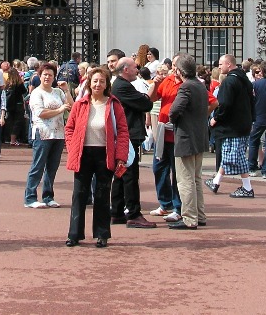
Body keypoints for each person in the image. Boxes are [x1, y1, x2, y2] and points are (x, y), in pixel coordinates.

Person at [64, 66, 129, 247]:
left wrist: (120, 156)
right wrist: (72, 147)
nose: (98, 84)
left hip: (104, 153)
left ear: (107, 84)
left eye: (102, 81)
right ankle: (74, 234)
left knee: (102, 195)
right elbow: (69, 128)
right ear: (89, 84)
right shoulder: (80, 104)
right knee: (79, 195)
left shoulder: (114, 104)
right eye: (95, 81)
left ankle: (102, 234)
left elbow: (123, 132)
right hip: (83, 153)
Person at [109, 57, 157, 229]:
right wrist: (151, 90)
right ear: (125, 70)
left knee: (121, 175)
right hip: (127, 135)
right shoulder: (122, 86)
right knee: (129, 175)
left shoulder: (121, 85)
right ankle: (134, 213)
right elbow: (146, 104)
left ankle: (117, 211)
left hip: (125, 134)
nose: (137, 70)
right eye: (134, 67)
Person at [168, 53, 209, 229]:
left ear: (179, 70)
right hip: (199, 136)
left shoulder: (186, 87)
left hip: (185, 137)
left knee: (185, 180)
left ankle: (189, 218)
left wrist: (173, 119)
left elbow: (174, 110)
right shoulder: (200, 86)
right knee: (196, 178)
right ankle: (199, 215)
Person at [24, 62, 71, 209]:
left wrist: (67, 91)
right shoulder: (36, 93)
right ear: (40, 75)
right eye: (45, 74)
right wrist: (60, 109)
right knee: (38, 165)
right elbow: (41, 113)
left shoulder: (58, 92)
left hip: (58, 133)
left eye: (50, 75)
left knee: (52, 167)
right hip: (42, 133)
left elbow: (72, 106)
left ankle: (48, 196)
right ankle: (30, 197)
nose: (47, 77)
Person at [206, 55, 254, 195]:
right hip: (243, 123)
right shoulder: (245, 80)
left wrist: (216, 118)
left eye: (221, 64)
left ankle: (247, 187)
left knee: (232, 156)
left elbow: (224, 104)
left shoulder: (229, 82)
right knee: (233, 154)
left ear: (228, 64)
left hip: (232, 125)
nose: (219, 67)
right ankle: (216, 181)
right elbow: (252, 102)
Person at [148, 56, 183, 222]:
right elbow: (153, 98)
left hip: (178, 133)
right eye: (173, 65)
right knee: (159, 168)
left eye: (176, 66)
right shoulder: (167, 80)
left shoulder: (189, 83)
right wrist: (155, 83)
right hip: (163, 132)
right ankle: (165, 203)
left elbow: (211, 102)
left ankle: (178, 206)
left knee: (177, 172)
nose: (173, 68)